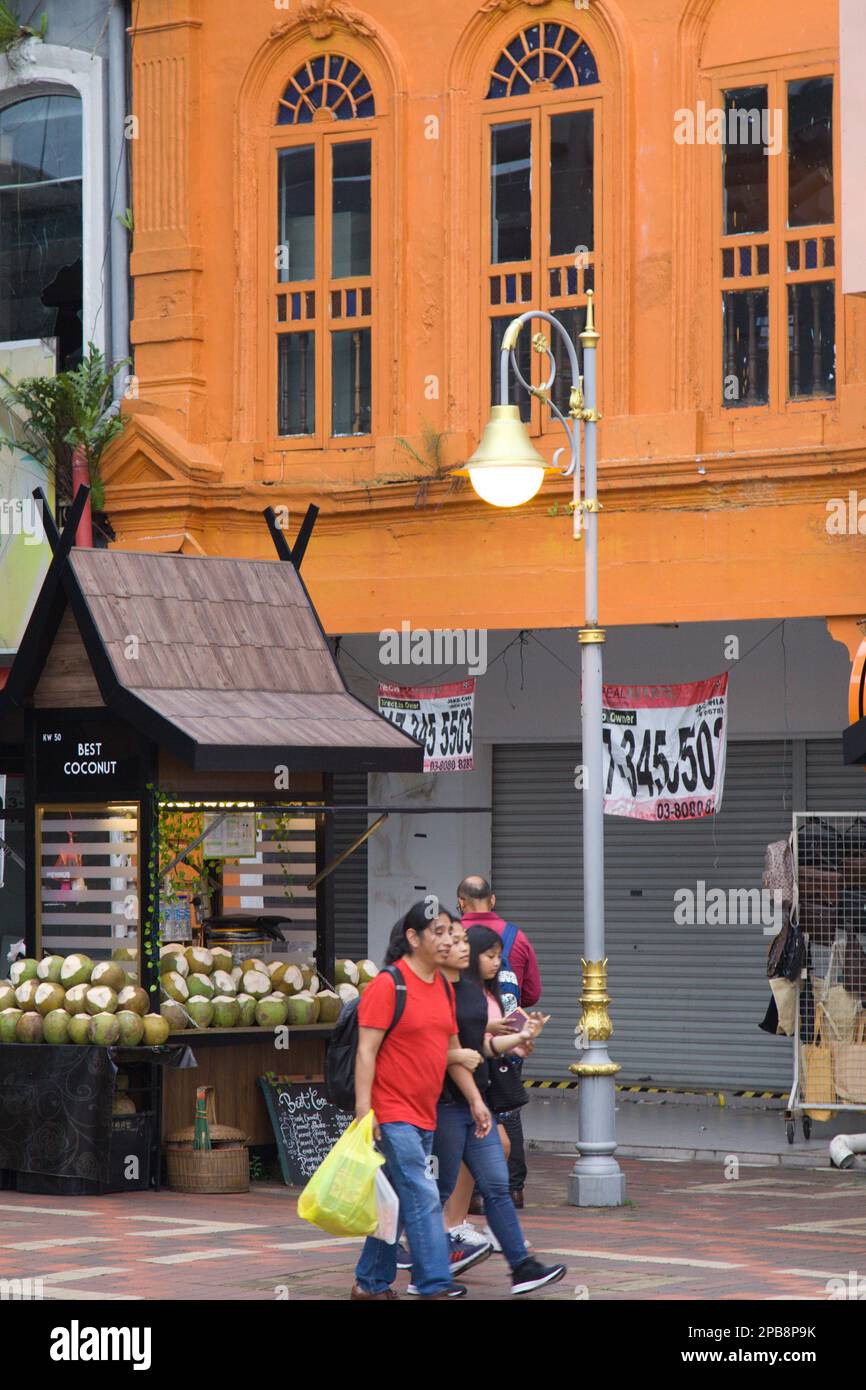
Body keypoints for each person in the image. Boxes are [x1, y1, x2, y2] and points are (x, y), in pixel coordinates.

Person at [351, 901, 490, 1300]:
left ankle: (370, 1283)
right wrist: (365, 1109)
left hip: (424, 1112)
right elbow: (366, 1051)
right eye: (438, 932)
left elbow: (451, 1053)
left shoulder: (442, 989)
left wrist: (476, 1101)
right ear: (413, 938)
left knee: (393, 1203)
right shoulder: (388, 984)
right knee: (423, 1192)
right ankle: (434, 1281)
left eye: (451, 931)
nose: (448, 940)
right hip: (390, 1111)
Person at [432, 920, 566, 1295]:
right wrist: (475, 1098)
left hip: (474, 1106)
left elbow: (482, 1048)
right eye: (455, 942)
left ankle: (522, 1268)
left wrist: (520, 1036)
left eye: (462, 941)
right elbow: (448, 1055)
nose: (459, 947)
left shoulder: (472, 997)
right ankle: (422, 1270)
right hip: (443, 1105)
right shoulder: (437, 993)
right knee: (434, 1192)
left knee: (496, 1186)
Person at [457, 875, 541, 1206]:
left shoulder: (452, 936)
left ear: (461, 902)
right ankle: (514, 1188)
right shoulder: (515, 937)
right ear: (492, 900)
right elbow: (532, 993)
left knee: (468, 1110)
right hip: (509, 1038)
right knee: (507, 1106)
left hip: (465, 1040)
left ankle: (473, 1194)